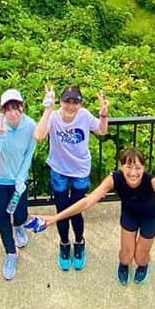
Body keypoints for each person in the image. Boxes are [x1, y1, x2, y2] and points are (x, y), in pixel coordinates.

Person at [40, 147, 155, 285]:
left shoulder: (154, 182)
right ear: (121, 166)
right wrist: (55, 218)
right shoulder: (114, 179)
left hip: (151, 217)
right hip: (130, 213)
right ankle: (124, 266)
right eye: (128, 166)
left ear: (144, 168)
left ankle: (144, 266)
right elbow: (87, 202)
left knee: (140, 256)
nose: (133, 172)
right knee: (126, 256)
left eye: (138, 167)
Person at [33, 84, 109, 271]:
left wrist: (103, 114)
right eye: (67, 101)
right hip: (59, 170)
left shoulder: (84, 116)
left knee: (76, 210)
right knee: (61, 209)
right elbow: (38, 135)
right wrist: (48, 108)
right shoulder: (53, 117)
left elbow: (101, 131)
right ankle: (64, 244)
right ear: (61, 102)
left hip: (80, 171)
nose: (71, 106)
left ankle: (80, 243)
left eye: (75, 102)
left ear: (80, 104)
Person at [0, 88, 37, 280]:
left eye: (16, 107)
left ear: (22, 107)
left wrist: (21, 178)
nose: (13, 113)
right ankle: (10, 252)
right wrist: (0, 135)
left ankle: (19, 226)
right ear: (3, 110)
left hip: (18, 179)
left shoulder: (30, 125)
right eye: (8, 108)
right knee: (3, 216)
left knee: (20, 213)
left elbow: (29, 152)